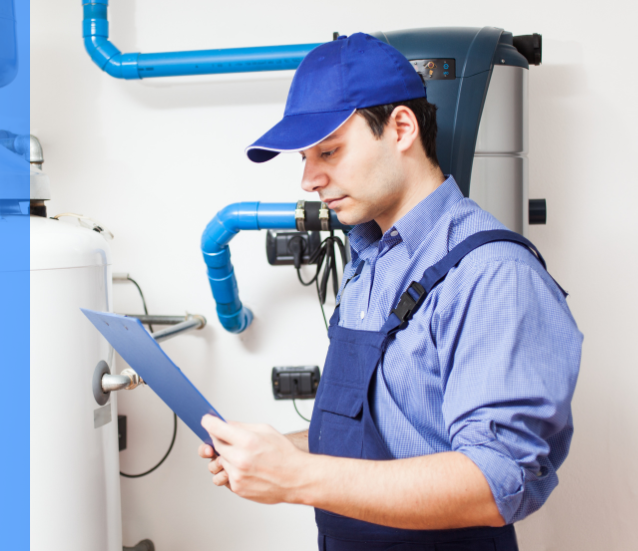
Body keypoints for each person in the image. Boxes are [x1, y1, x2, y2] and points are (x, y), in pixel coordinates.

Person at [198, 33, 583, 550]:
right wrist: (273, 454)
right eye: (305, 158)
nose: (310, 178)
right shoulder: (368, 261)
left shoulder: (491, 272)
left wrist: (296, 477)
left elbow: (497, 481)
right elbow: (395, 433)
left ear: (401, 127)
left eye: (329, 151)